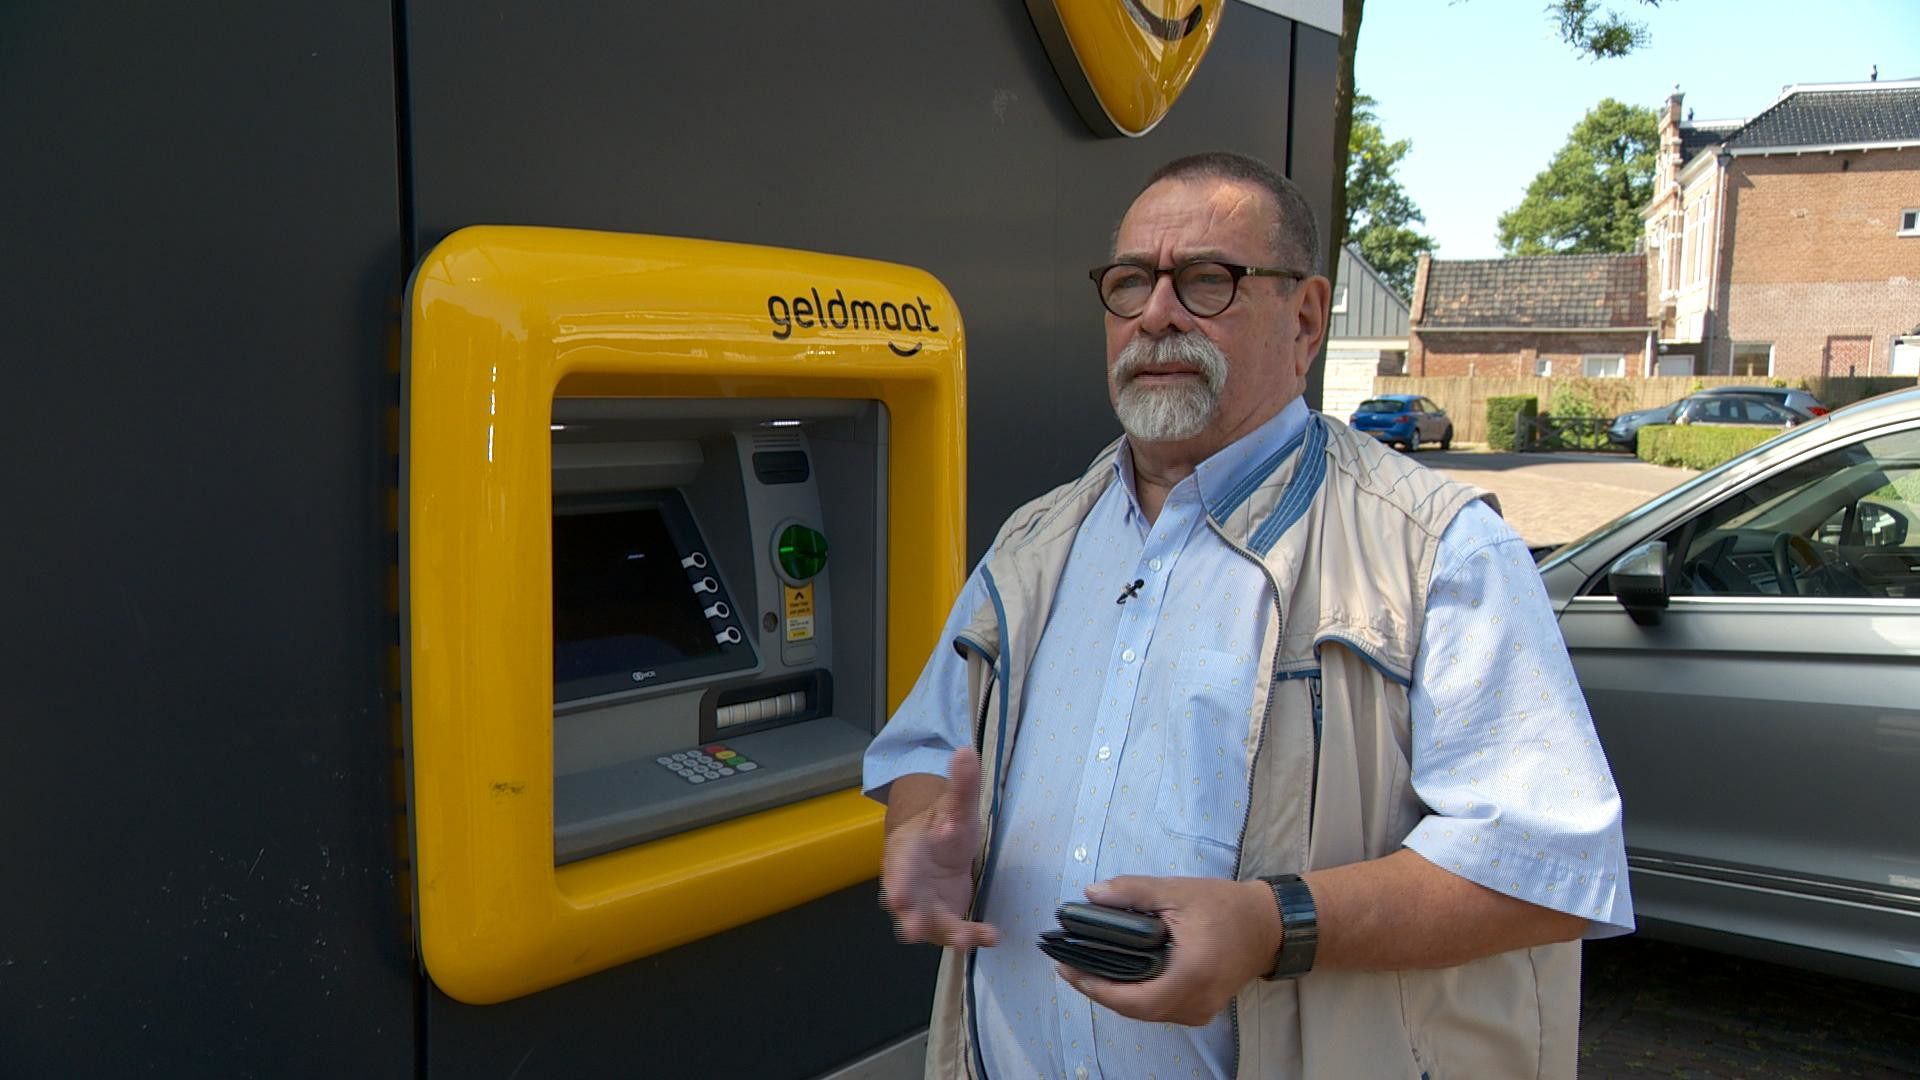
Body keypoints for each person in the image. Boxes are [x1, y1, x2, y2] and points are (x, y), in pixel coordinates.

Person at [863, 151, 1633, 1079]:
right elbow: (921, 750)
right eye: (1129, 284)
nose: (1155, 314)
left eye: (1204, 280)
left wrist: (1275, 925)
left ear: (1305, 318)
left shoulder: (1438, 551)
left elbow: (1544, 868)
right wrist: (918, 834)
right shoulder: (1034, 543)